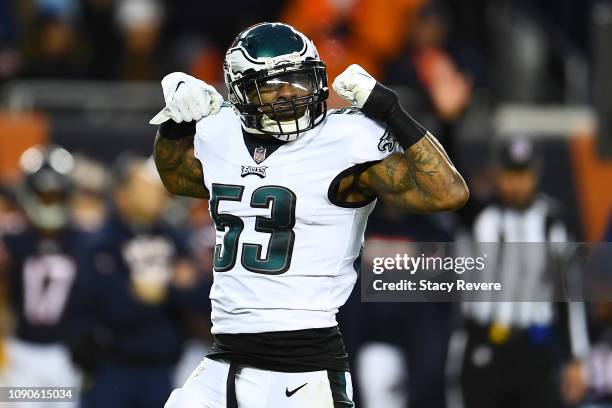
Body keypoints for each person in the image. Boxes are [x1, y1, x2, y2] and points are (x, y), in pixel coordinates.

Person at [151, 22, 468, 408]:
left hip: (302, 369)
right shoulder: (222, 131)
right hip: (223, 361)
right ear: (240, 91)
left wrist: (390, 109)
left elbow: (448, 192)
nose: (290, 95)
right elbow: (176, 178)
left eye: (299, 81)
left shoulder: (345, 139)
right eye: (273, 85)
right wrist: (173, 122)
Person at [459, 138, 590, 408]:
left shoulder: (552, 222)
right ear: (496, 173)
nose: (517, 183)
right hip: (487, 346)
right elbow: (450, 184)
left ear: (536, 174)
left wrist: (576, 358)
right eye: (510, 174)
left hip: (535, 351)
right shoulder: (478, 216)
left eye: (523, 174)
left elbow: (568, 293)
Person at [78, 156, 207, 408]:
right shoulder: (102, 242)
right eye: (145, 187)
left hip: (161, 368)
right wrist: (172, 286)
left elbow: (200, 297)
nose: (156, 193)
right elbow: (114, 308)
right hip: (112, 367)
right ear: (123, 194)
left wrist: (159, 291)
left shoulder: (173, 237)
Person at [0, 145, 84, 407]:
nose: (50, 201)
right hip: (19, 353)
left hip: (65, 355)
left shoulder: (82, 240)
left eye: (56, 195)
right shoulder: (12, 240)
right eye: (44, 195)